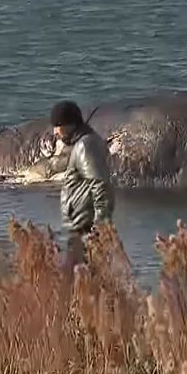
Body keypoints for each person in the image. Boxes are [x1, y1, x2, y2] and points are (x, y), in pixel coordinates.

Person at [30, 100, 114, 268]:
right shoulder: (83, 143)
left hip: (86, 230)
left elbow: (100, 187)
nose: (55, 132)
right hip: (80, 229)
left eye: (58, 125)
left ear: (70, 124)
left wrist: (99, 229)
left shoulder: (85, 146)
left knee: (73, 279)